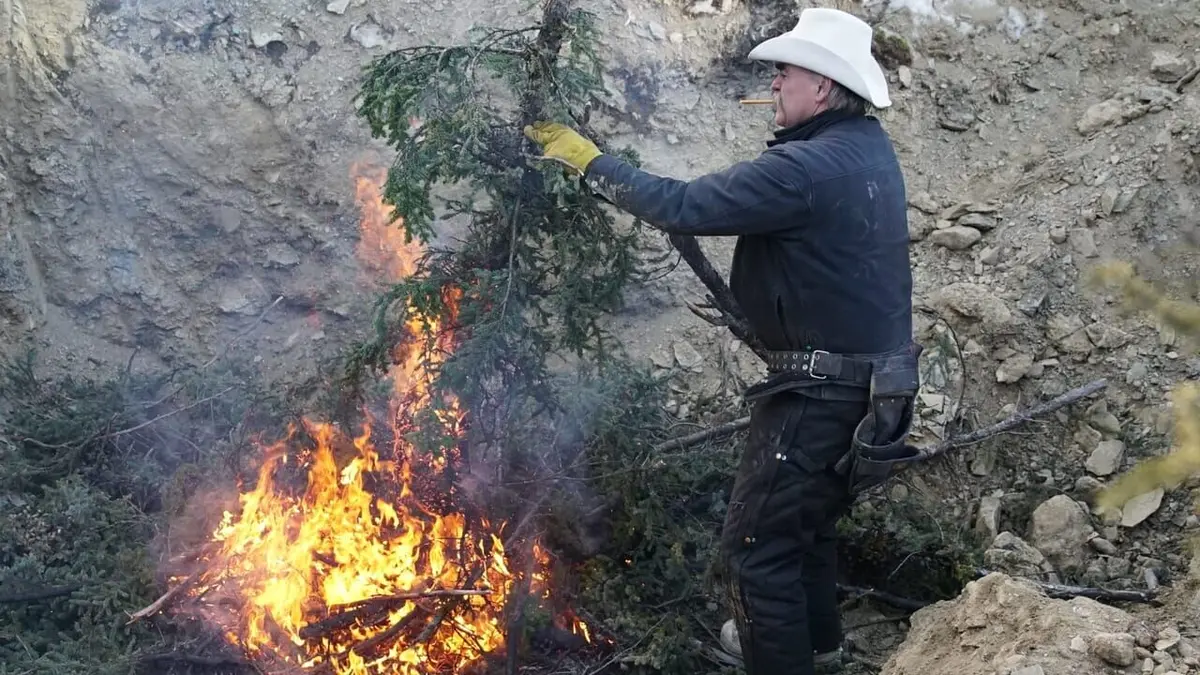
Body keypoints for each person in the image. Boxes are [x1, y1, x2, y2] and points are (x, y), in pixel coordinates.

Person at [524, 7, 923, 675]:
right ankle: (821, 655)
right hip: (874, 389)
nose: (774, 86)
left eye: (785, 74)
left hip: (821, 394)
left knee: (756, 551)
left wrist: (589, 160)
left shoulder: (806, 169)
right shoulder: (865, 148)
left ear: (823, 86)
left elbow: (684, 206)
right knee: (807, 534)